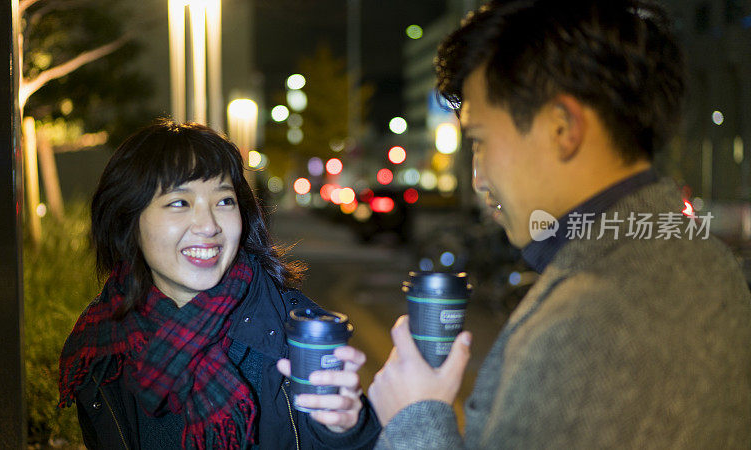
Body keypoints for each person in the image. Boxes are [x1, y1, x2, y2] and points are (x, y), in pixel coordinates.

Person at [368, 0, 751, 448]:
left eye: (480, 140)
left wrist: (415, 420)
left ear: (562, 128)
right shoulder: (703, 261)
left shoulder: (592, 320)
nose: (479, 177)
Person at [58, 120, 380, 449]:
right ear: (129, 220)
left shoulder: (298, 334)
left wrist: (347, 428)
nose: (209, 225)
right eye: (179, 203)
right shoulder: (100, 344)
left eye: (224, 201)